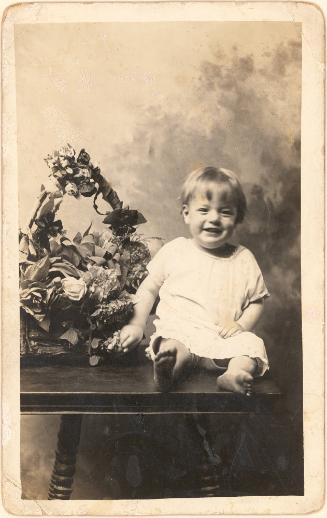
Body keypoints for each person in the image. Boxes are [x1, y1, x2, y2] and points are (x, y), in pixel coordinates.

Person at [120, 166, 269, 395]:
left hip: (222, 341)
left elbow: (256, 302)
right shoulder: (176, 250)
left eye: (225, 212)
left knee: (251, 346)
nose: (214, 218)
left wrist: (241, 326)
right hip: (182, 332)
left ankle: (233, 374)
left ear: (237, 217)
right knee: (172, 345)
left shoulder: (243, 258)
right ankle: (168, 372)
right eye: (203, 210)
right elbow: (149, 288)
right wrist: (137, 324)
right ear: (187, 213)